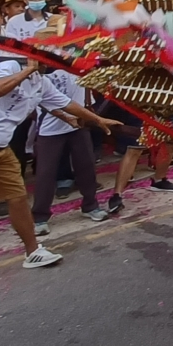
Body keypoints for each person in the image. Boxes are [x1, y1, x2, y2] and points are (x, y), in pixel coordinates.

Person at [0, 56, 115, 290]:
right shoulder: (8, 67)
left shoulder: (42, 82)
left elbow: (64, 104)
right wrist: (26, 72)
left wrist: (96, 119)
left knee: (18, 200)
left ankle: (33, 251)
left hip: (1, 149)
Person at [31, 67, 114, 236]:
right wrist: (65, 117)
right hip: (50, 129)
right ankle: (40, 217)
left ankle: (91, 205)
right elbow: (41, 101)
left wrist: (92, 116)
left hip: (79, 126)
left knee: (86, 166)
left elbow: (86, 96)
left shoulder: (79, 67)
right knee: (46, 173)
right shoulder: (43, 70)